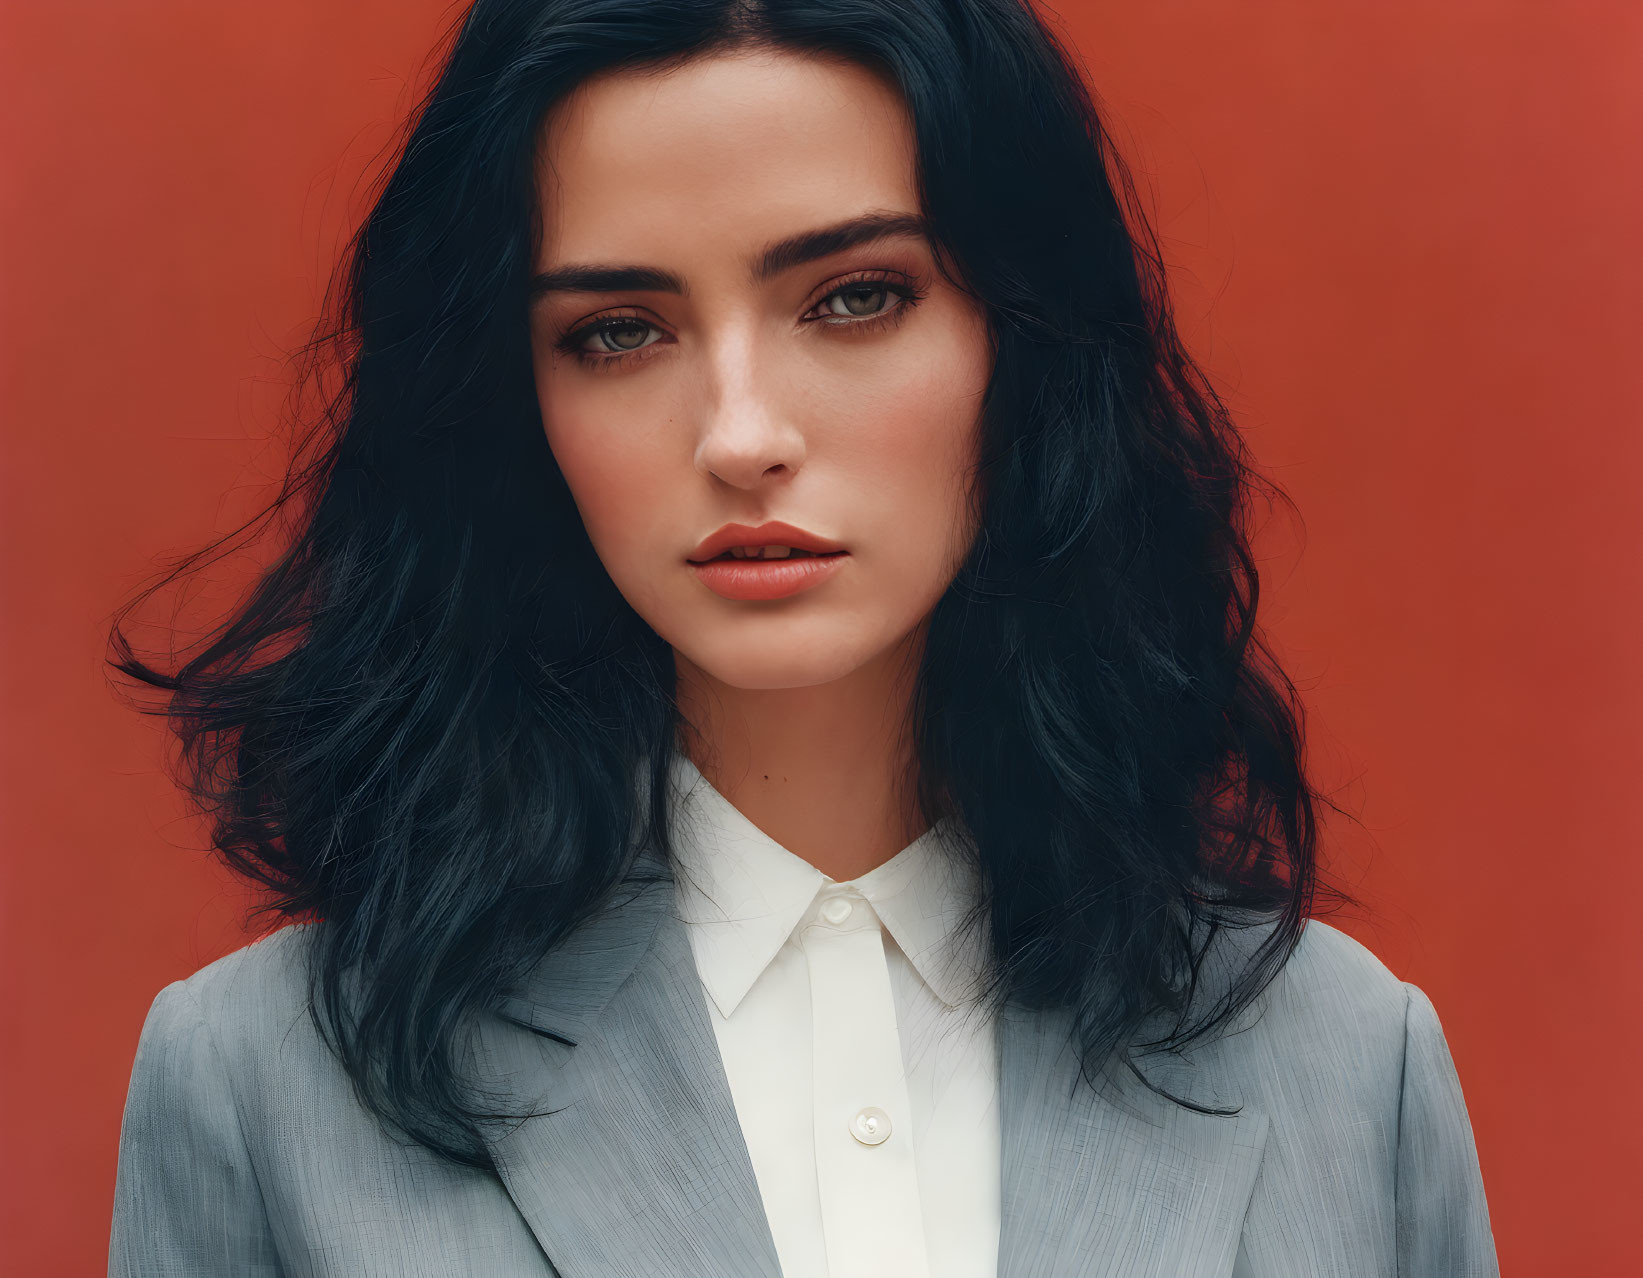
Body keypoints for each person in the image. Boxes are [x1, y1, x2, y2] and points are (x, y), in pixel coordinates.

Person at [105, 1, 1499, 1274]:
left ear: (1026, 344)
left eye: (853, 297)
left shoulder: (1346, 1067)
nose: (742, 434)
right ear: (511, 405)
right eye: (618, 330)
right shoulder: (262, 1084)